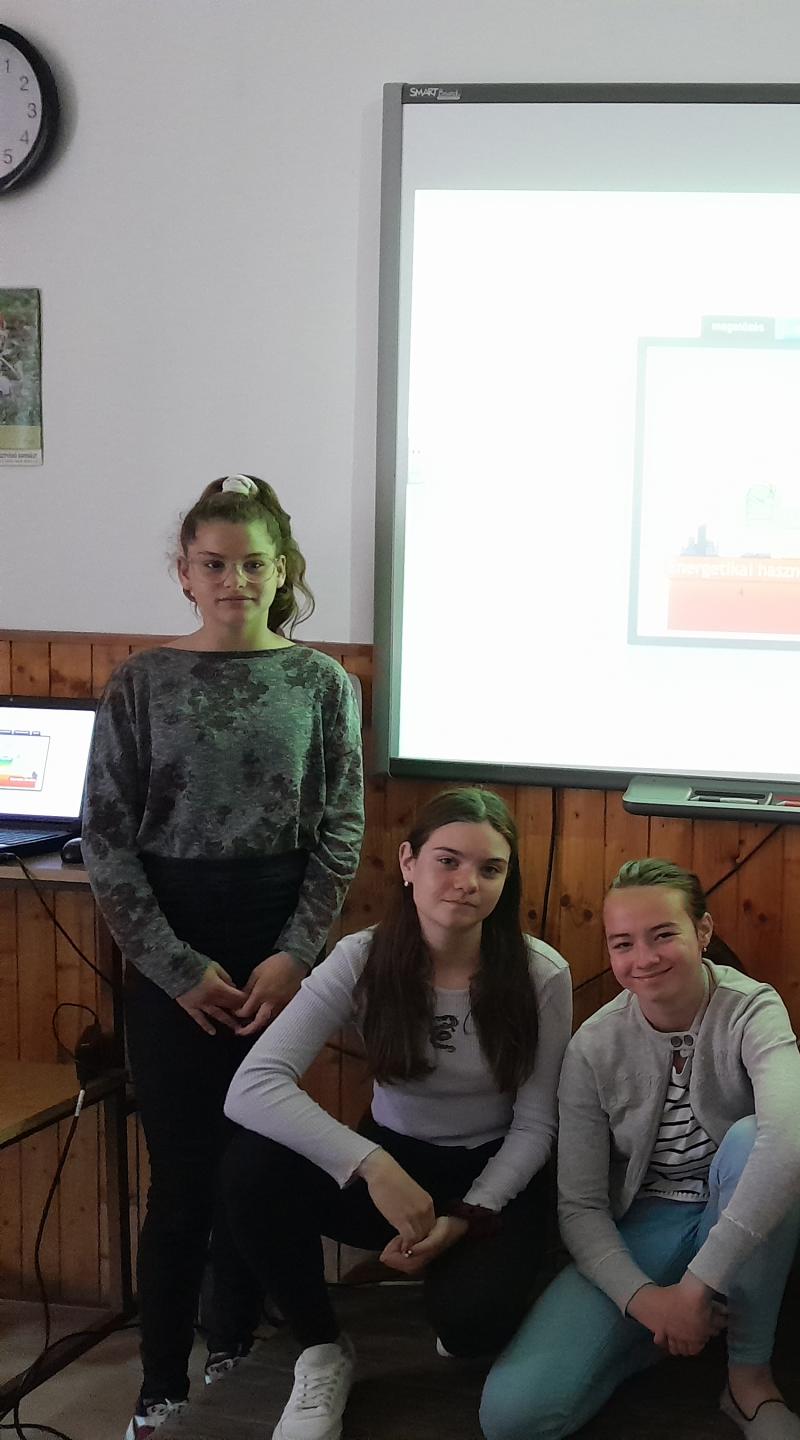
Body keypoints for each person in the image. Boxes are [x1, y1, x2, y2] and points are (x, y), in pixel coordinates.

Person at [84, 474, 364, 1440]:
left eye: (254, 563)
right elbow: (106, 841)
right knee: (183, 1176)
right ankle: (161, 1384)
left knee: (259, 1160)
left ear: (282, 571)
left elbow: (339, 831)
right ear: (184, 572)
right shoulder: (140, 683)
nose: (234, 580)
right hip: (172, 949)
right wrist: (175, 969)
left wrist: (295, 956)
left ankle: (236, 1348)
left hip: (277, 952)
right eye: (215, 563)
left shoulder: (322, 683)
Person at [221, 787, 571, 1440]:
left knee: (470, 1329)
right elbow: (252, 1086)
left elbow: (535, 1127)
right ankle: (323, 1349)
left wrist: (464, 1219)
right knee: (250, 1168)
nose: (467, 882)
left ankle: (459, 1279)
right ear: (408, 863)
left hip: (492, 1174)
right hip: (391, 1161)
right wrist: (373, 1165)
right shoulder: (361, 957)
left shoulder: (540, 973)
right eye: (448, 861)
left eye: (490, 868)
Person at [480, 859, 800, 1440]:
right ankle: (662, 1337)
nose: (644, 958)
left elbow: (795, 1146)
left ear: (703, 931)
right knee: (513, 1417)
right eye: (623, 943)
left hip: (745, 1212)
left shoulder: (752, 1007)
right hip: (646, 1223)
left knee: (751, 1141)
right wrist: (648, 1304)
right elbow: (581, 1207)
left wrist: (695, 1286)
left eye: (663, 935)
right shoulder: (591, 1047)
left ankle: (748, 1379)